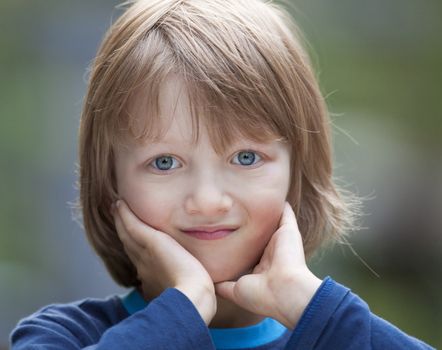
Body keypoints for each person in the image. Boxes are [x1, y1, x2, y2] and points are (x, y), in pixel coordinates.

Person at [10, 0, 434, 349]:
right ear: (110, 186)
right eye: (164, 162)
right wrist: (185, 306)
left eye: (246, 158)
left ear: (298, 175)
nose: (208, 199)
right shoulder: (60, 336)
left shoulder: (337, 334)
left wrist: (306, 303)